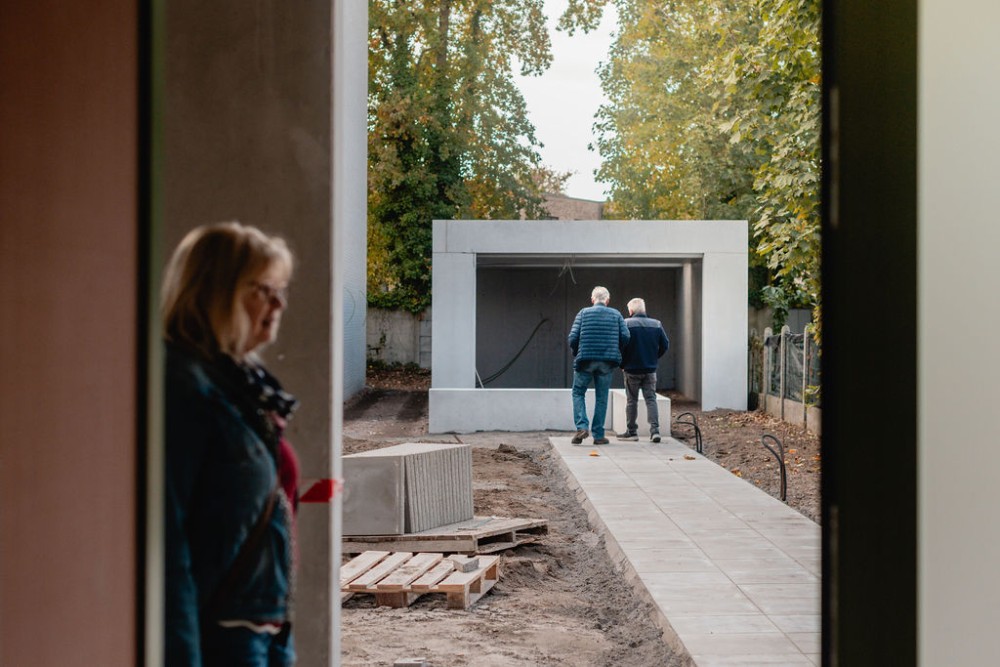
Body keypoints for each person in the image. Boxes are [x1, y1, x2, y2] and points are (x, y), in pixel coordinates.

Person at [162, 221, 300, 666]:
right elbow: (168, 543)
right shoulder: (183, 386)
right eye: (264, 289)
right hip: (221, 638)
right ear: (215, 292)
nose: (279, 303)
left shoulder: (238, 383)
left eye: (281, 289)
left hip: (260, 627)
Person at [568, 286, 630, 445]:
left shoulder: (583, 313)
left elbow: (573, 338)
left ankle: (582, 427)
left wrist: (577, 352)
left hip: (585, 361)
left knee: (578, 393)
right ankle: (598, 435)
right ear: (607, 300)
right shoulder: (616, 314)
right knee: (601, 398)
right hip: (607, 362)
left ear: (592, 299)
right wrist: (616, 350)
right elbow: (626, 336)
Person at [617, 297, 670, 443]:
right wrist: (654, 358)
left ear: (631, 310)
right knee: (651, 399)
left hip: (631, 369)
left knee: (631, 401)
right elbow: (665, 345)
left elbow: (619, 346)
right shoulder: (657, 324)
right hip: (650, 370)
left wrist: (622, 364)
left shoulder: (626, 323)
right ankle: (655, 431)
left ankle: (632, 432)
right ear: (644, 309)